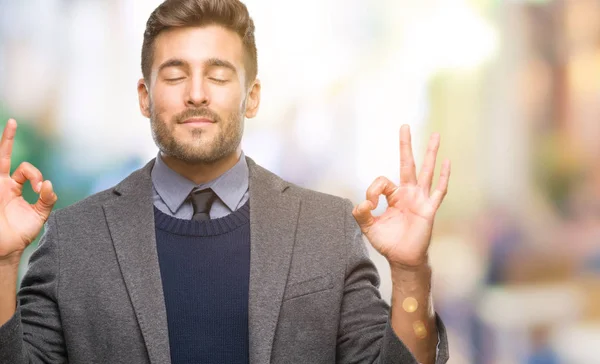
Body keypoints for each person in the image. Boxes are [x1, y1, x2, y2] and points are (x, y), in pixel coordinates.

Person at [0, 0, 451, 363]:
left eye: (218, 75)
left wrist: (411, 273)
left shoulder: (327, 229)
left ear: (251, 97)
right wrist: (1, 264)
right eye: (175, 75)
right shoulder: (76, 237)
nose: (196, 92)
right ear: (144, 97)